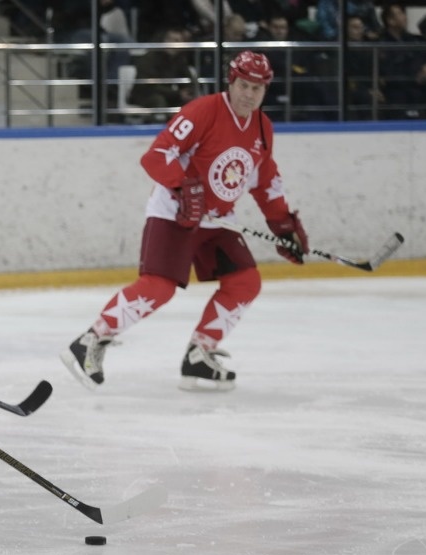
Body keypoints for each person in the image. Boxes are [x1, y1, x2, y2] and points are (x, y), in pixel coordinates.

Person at [61, 50, 309, 392]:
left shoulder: (262, 128)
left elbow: (265, 180)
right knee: (158, 287)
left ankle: (199, 356)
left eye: (257, 88)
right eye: (243, 85)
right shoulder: (204, 111)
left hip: (219, 220)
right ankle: (89, 342)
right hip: (174, 214)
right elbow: (156, 155)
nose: (249, 95)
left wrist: (283, 227)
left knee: (245, 282)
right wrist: (184, 186)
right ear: (231, 82)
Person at [127, 28, 197, 121]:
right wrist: (178, 93)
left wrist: (187, 91)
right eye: (175, 40)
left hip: (168, 94)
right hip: (145, 95)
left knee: (190, 102)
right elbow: (150, 86)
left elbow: (187, 79)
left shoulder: (179, 59)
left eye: (181, 41)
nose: (179, 44)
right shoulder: (149, 58)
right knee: (159, 101)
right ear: (165, 41)